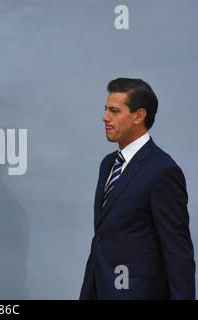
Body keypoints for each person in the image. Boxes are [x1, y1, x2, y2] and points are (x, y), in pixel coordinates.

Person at [80, 78, 195, 299]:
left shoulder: (162, 171)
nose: (105, 117)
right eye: (105, 110)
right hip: (100, 288)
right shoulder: (108, 164)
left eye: (114, 111)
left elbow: (178, 252)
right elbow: (103, 238)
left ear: (139, 116)